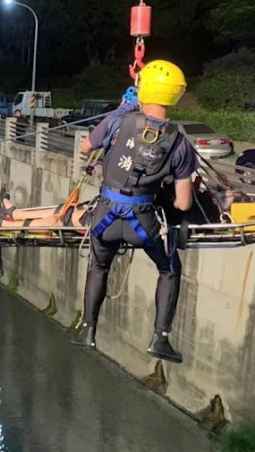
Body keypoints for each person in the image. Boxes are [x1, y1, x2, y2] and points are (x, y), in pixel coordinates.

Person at [70, 60, 197, 364]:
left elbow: (85, 147)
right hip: (144, 222)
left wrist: (122, 110)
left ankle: (88, 330)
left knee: (99, 266)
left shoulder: (116, 121)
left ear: (143, 89)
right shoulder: (180, 143)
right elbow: (182, 204)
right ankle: (160, 338)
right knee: (169, 269)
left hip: (105, 218)